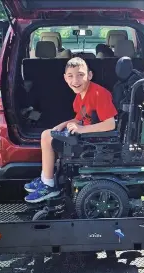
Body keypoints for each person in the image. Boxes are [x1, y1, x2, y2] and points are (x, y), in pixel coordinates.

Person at [24, 57, 118, 203]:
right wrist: (63, 124)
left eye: (81, 75)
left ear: (90, 75)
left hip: (96, 140)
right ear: (65, 78)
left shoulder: (99, 94)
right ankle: (45, 178)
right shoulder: (79, 97)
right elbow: (79, 118)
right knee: (49, 133)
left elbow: (110, 124)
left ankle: (49, 186)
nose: (76, 80)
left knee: (46, 136)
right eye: (71, 76)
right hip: (86, 135)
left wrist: (81, 129)